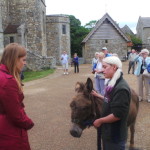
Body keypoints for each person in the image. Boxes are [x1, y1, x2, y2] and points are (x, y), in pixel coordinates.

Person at [92, 56, 131, 150]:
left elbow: (117, 115)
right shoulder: (113, 82)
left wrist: (100, 120)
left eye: (105, 67)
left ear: (114, 67)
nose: (102, 70)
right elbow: (111, 99)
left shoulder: (121, 88)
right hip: (109, 132)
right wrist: (99, 96)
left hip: (115, 135)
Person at [0, 43, 34, 150]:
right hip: (8, 130)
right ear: (15, 59)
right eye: (23, 60)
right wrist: (28, 123)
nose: (25, 63)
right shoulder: (8, 81)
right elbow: (15, 114)